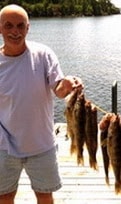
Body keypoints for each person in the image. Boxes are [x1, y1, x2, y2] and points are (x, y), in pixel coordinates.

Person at [0, 4, 84, 204]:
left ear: (28, 28)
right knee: (4, 196)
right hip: (4, 146)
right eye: (8, 26)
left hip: (41, 144)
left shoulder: (43, 54)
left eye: (21, 26)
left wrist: (67, 84)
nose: (15, 31)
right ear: (0, 28)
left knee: (45, 195)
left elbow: (59, 90)